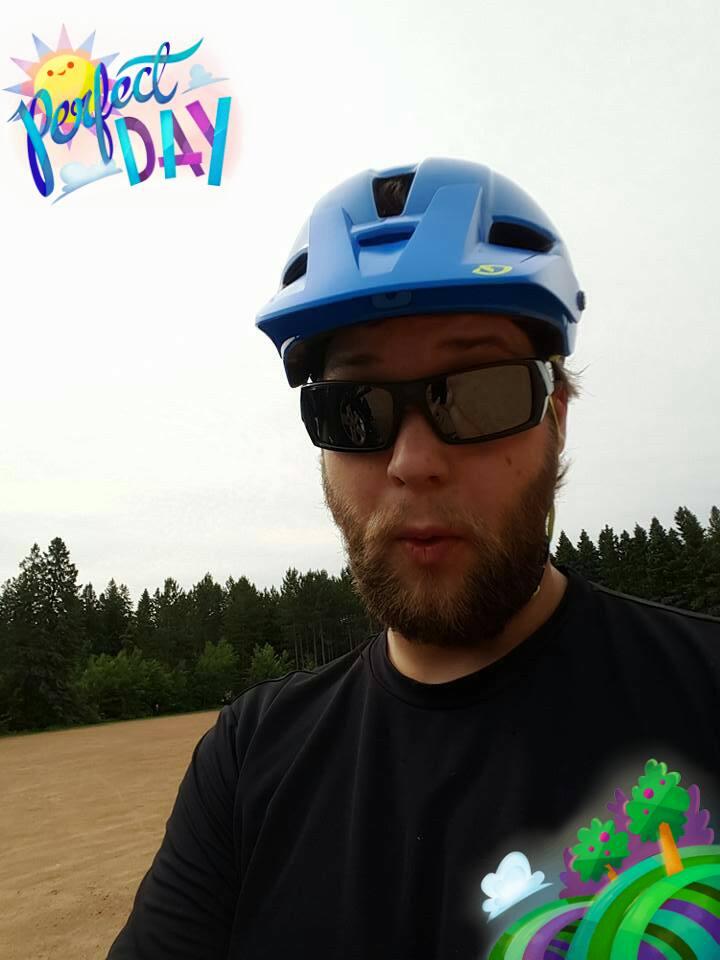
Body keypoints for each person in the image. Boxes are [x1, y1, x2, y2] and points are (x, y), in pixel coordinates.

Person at [106, 159, 720, 960]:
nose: (413, 461)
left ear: (557, 416)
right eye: (354, 409)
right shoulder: (247, 763)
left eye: (479, 392)